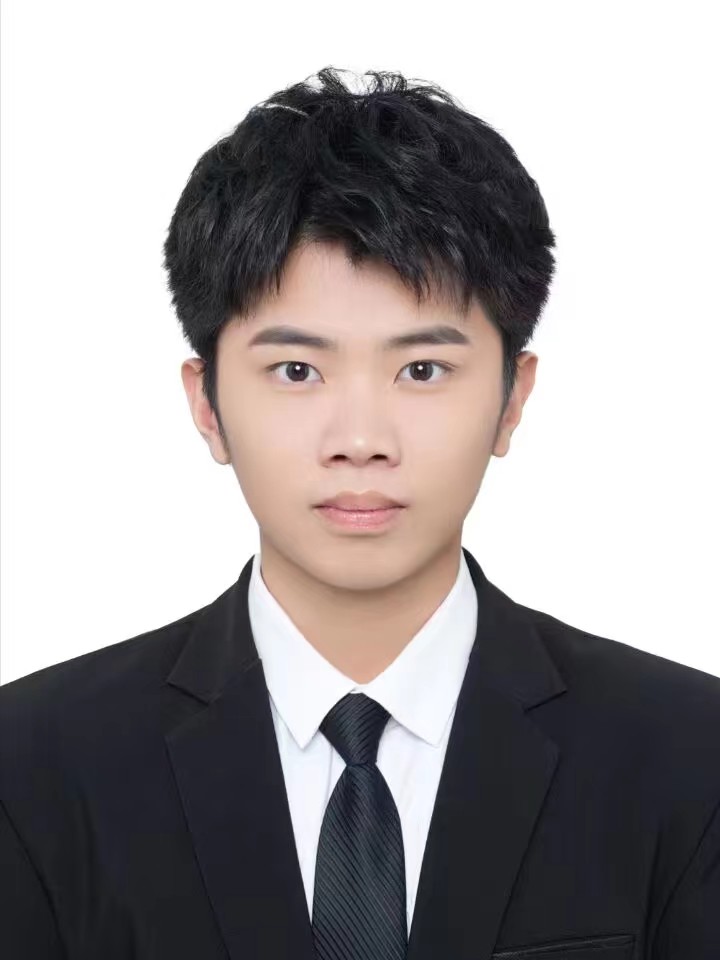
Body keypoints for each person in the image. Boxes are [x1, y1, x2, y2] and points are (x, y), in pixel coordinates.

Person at [1, 66, 718, 960]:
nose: (361, 440)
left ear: (511, 399)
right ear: (207, 403)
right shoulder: (32, 767)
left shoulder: (690, 756)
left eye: (422, 369)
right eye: (296, 370)